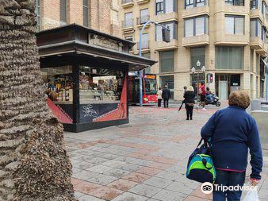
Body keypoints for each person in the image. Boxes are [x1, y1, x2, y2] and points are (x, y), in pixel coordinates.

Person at [201, 91, 263, 201]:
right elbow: (256, 149)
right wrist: (256, 173)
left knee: (219, 192)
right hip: (238, 164)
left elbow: (204, 132)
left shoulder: (219, 114)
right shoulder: (249, 120)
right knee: (234, 195)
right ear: (246, 103)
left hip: (218, 161)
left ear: (230, 100)